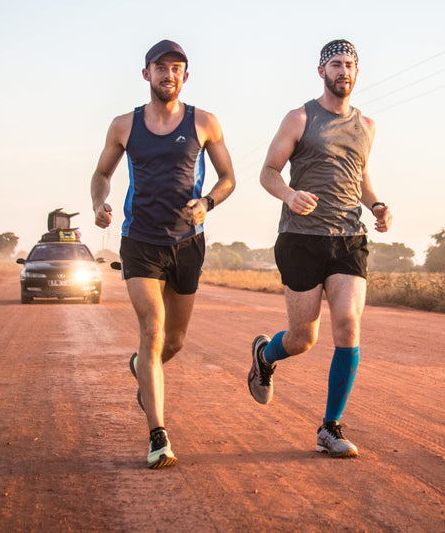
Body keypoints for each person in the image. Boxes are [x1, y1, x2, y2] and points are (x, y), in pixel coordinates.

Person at [91, 39, 235, 469]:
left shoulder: (205, 122)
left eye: (176, 68)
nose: (168, 74)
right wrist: (100, 204)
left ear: (185, 77)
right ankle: (158, 436)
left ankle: (141, 368)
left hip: (188, 241)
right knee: (153, 331)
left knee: (175, 340)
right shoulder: (124, 125)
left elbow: (228, 177)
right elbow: (101, 174)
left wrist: (207, 203)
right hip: (140, 241)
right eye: (160, 67)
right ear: (146, 74)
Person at [248, 39, 392, 458]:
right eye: (335, 64)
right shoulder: (299, 117)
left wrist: (377, 204)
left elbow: (359, 177)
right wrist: (290, 195)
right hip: (300, 240)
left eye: (349, 64)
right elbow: (268, 172)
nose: (342, 71)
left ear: (357, 72)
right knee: (302, 338)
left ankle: (329, 428)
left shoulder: (367, 125)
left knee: (347, 323)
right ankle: (264, 355)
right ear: (321, 71)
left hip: (348, 238)